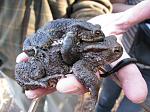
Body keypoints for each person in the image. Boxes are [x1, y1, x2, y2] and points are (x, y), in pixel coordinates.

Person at [17, 0, 150, 111]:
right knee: (31, 89)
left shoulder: (85, 44)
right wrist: (94, 85)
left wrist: (87, 21)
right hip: (42, 60)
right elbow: (78, 66)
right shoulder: (84, 55)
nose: (118, 50)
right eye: (115, 51)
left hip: (50, 45)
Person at [0, 0, 113, 112]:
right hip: (16, 59)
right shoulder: (71, 36)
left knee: (62, 104)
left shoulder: (78, 32)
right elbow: (66, 51)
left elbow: (92, 3)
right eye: (96, 34)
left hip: (58, 72)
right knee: (27, 99)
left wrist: (89, 19)